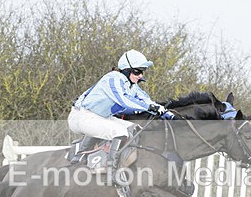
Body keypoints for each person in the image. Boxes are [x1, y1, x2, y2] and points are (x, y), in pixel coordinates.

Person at [68, 49, 175, 185]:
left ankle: (120, 164)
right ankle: (110, 173)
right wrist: (150, 108)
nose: (140, 76)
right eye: (137, 71)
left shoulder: (132, 85)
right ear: (126, 70)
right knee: (119, 132)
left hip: (99, 117)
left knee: (133, 128)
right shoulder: (113, 78)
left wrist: (169, 115)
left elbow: (146, 101)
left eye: (142, 72)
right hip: (81, 117)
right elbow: (124, 100)